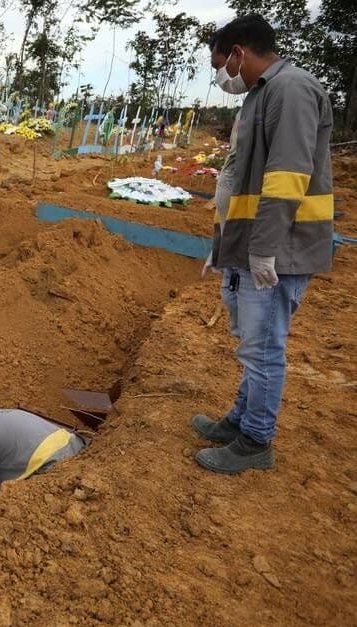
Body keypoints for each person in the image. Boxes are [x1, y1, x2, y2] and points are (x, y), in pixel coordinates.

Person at [193, 15, 334, 474]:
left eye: (222, 65)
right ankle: (241, 419)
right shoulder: (262, 94)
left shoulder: (291, 90)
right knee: (252, 343)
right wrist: (226, 242)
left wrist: (263, 249)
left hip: (280, 248)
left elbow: (286, 179)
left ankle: (255, 441)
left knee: (265, 346)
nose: (222, 77)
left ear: (238, 53)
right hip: (254, 242)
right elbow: (242, 177)